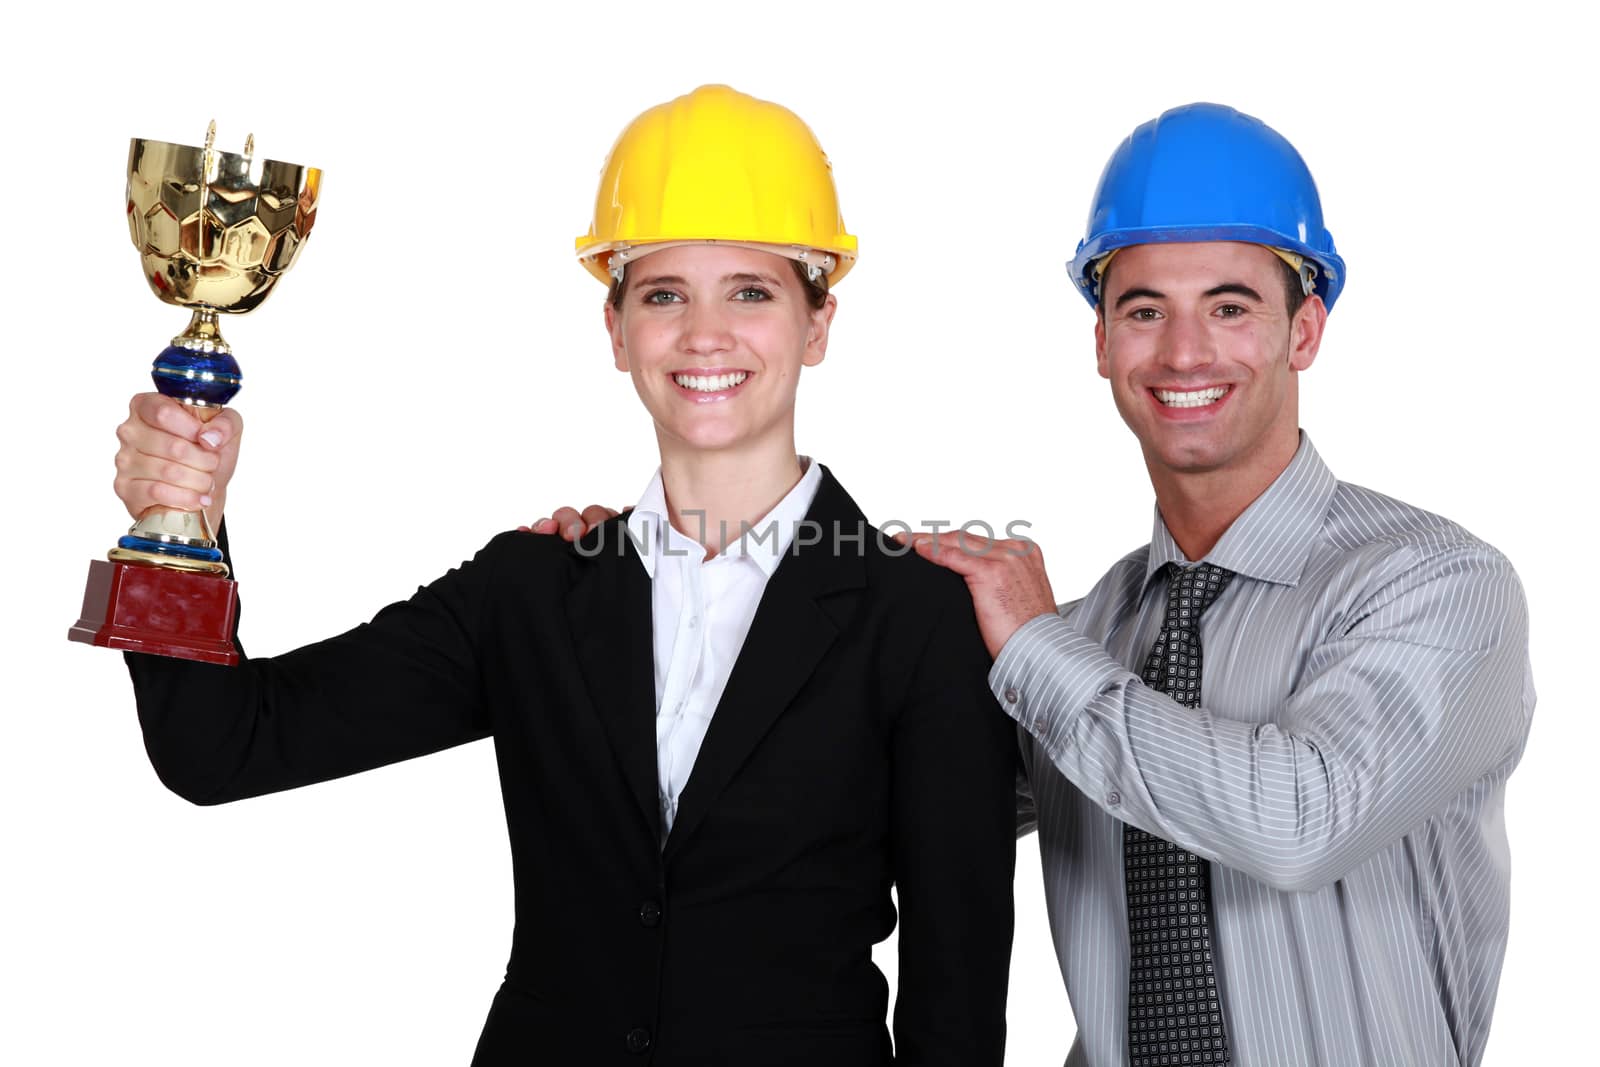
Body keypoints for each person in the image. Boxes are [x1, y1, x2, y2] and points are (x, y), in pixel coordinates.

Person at [111, 85, 1015, 1066]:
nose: (704, 332)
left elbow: (954, 1003)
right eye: (663, 291)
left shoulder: (919, 618)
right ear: (616, 329)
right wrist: (176, 523)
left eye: (750, 290)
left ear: (818, 322)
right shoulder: (531, 591)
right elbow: (219, 748)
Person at [900, 104, 1535, 1066]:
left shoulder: (1440, 586)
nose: (1184, 353)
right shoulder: (1081, 640)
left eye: (1230, 308)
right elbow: (867, 807)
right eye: (1145, 309)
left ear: (1305, 330)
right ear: (1103, 343)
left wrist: (1038, 651)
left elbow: (1299, 821)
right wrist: (629, 585)